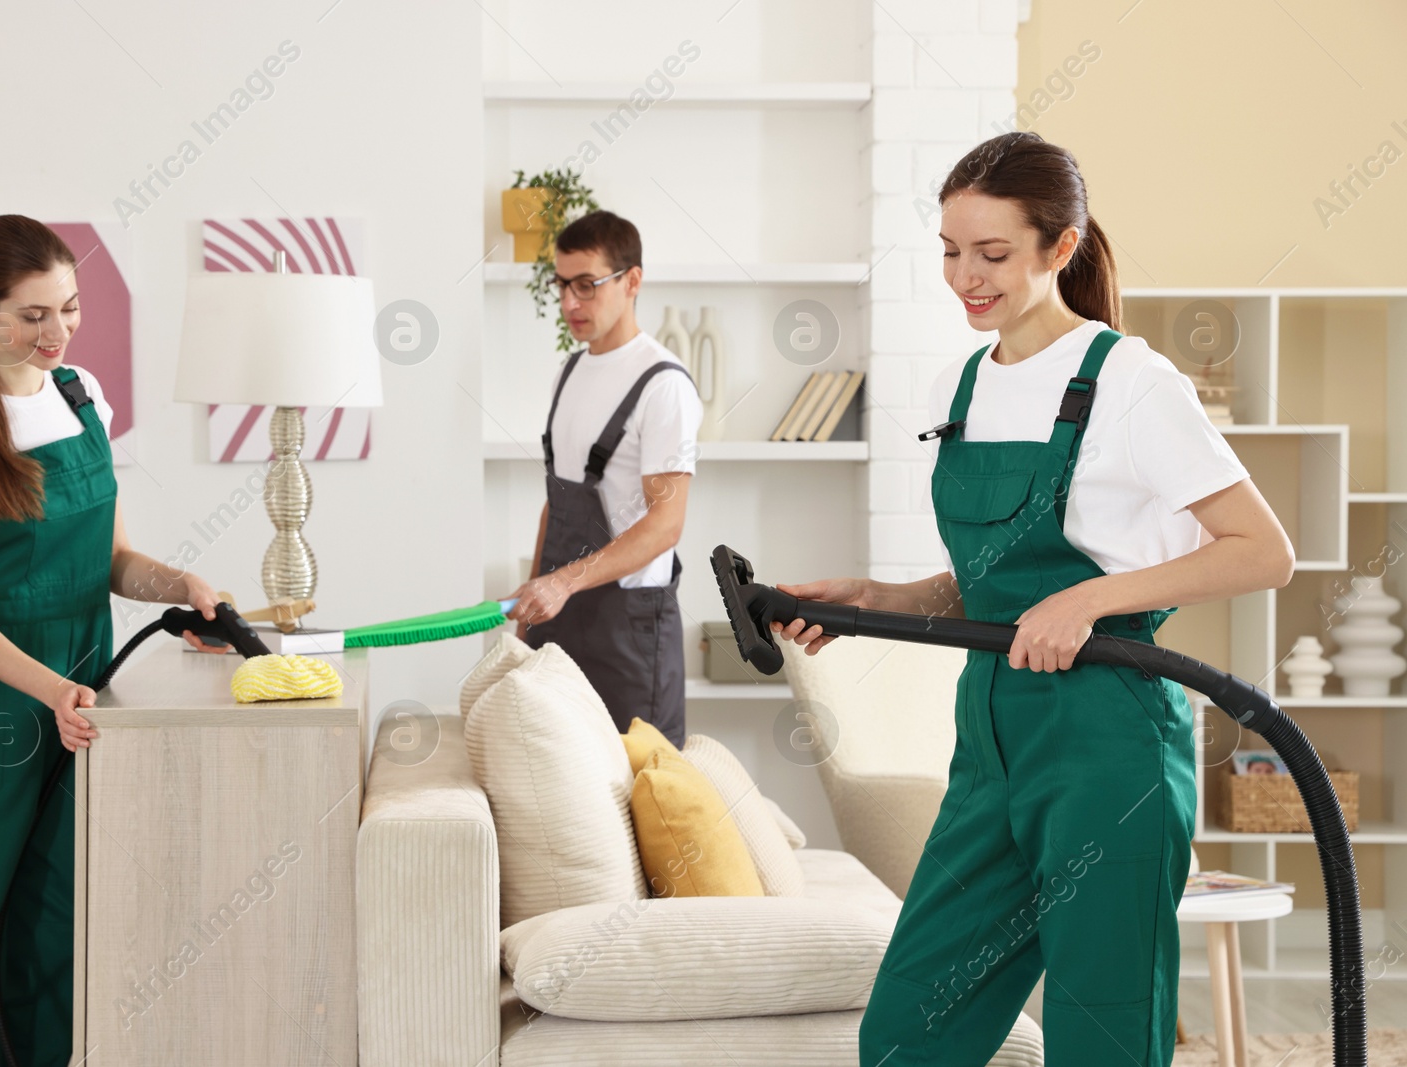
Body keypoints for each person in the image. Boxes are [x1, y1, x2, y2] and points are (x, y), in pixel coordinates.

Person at [768, 133, 1295, 1065]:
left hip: (1110, 739)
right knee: (907, 1032)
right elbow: (984, 588)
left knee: (1102, 1034)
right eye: (949, 250)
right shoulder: (958, 387)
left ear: (1061, 248)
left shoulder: (1131, 382)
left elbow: (1263, 550)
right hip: (990, 737)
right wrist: (881, 597)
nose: (965, 276)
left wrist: (1092, 600)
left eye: (993, 254)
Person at [0, 214, 230, 1066]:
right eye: (33, 315)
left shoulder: (82, 397)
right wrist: (52, 691)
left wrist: (178, 585)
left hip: (74, 697)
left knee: (57, 926)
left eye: (69, 308)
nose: (58, 332)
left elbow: (107, 560)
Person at [505, 210, 703, 747]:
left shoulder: (663, 387)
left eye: (587, 285)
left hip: (629, 634)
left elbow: (665, 524)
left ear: (632, 281)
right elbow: (557, 503)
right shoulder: (568, 373)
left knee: (642, 795)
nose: (570, 303)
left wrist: (563, 581)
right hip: (560, 624)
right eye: (563, 285)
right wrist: (528, 621)